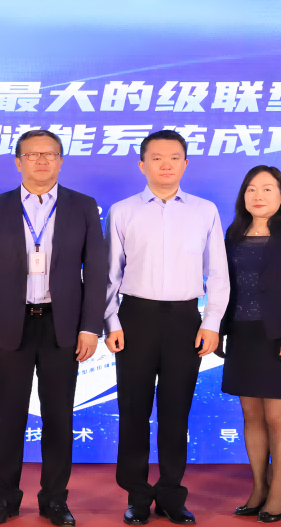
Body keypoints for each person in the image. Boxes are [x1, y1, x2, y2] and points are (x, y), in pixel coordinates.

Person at [0, 130, 108, 527]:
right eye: (33, 154)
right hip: (9, 326)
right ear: (18, 162)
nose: (42, 161)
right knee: (8, 417)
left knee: (59, 417)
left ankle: (55, 500)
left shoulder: (83, 206)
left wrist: (90, 327)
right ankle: (4, 499)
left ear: (60, 161)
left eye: (50, 154)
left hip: (62, 326)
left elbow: (96, 270)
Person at [104, 129, 228, 526]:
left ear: (185, 164)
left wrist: (212, 322)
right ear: (142, 165)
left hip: (185, 320)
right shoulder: (122, 211)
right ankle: (137, 496)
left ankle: (172, 495)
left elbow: (218, 272)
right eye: (156, 158)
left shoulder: (205, 211)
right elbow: (110, 274)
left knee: (176, 412)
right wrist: (111, 321)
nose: (165, 165)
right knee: (133, 411)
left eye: (174, 157)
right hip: (134, 319)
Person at [215, 165, 281, 523]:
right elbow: (224, 286)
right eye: (251, 189)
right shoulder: (233, 233)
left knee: (277, 416)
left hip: (280, 335)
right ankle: (259, 487)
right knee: (251, 415)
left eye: (268, 189)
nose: (258, 196)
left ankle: (278, 490)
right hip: (241, 335)